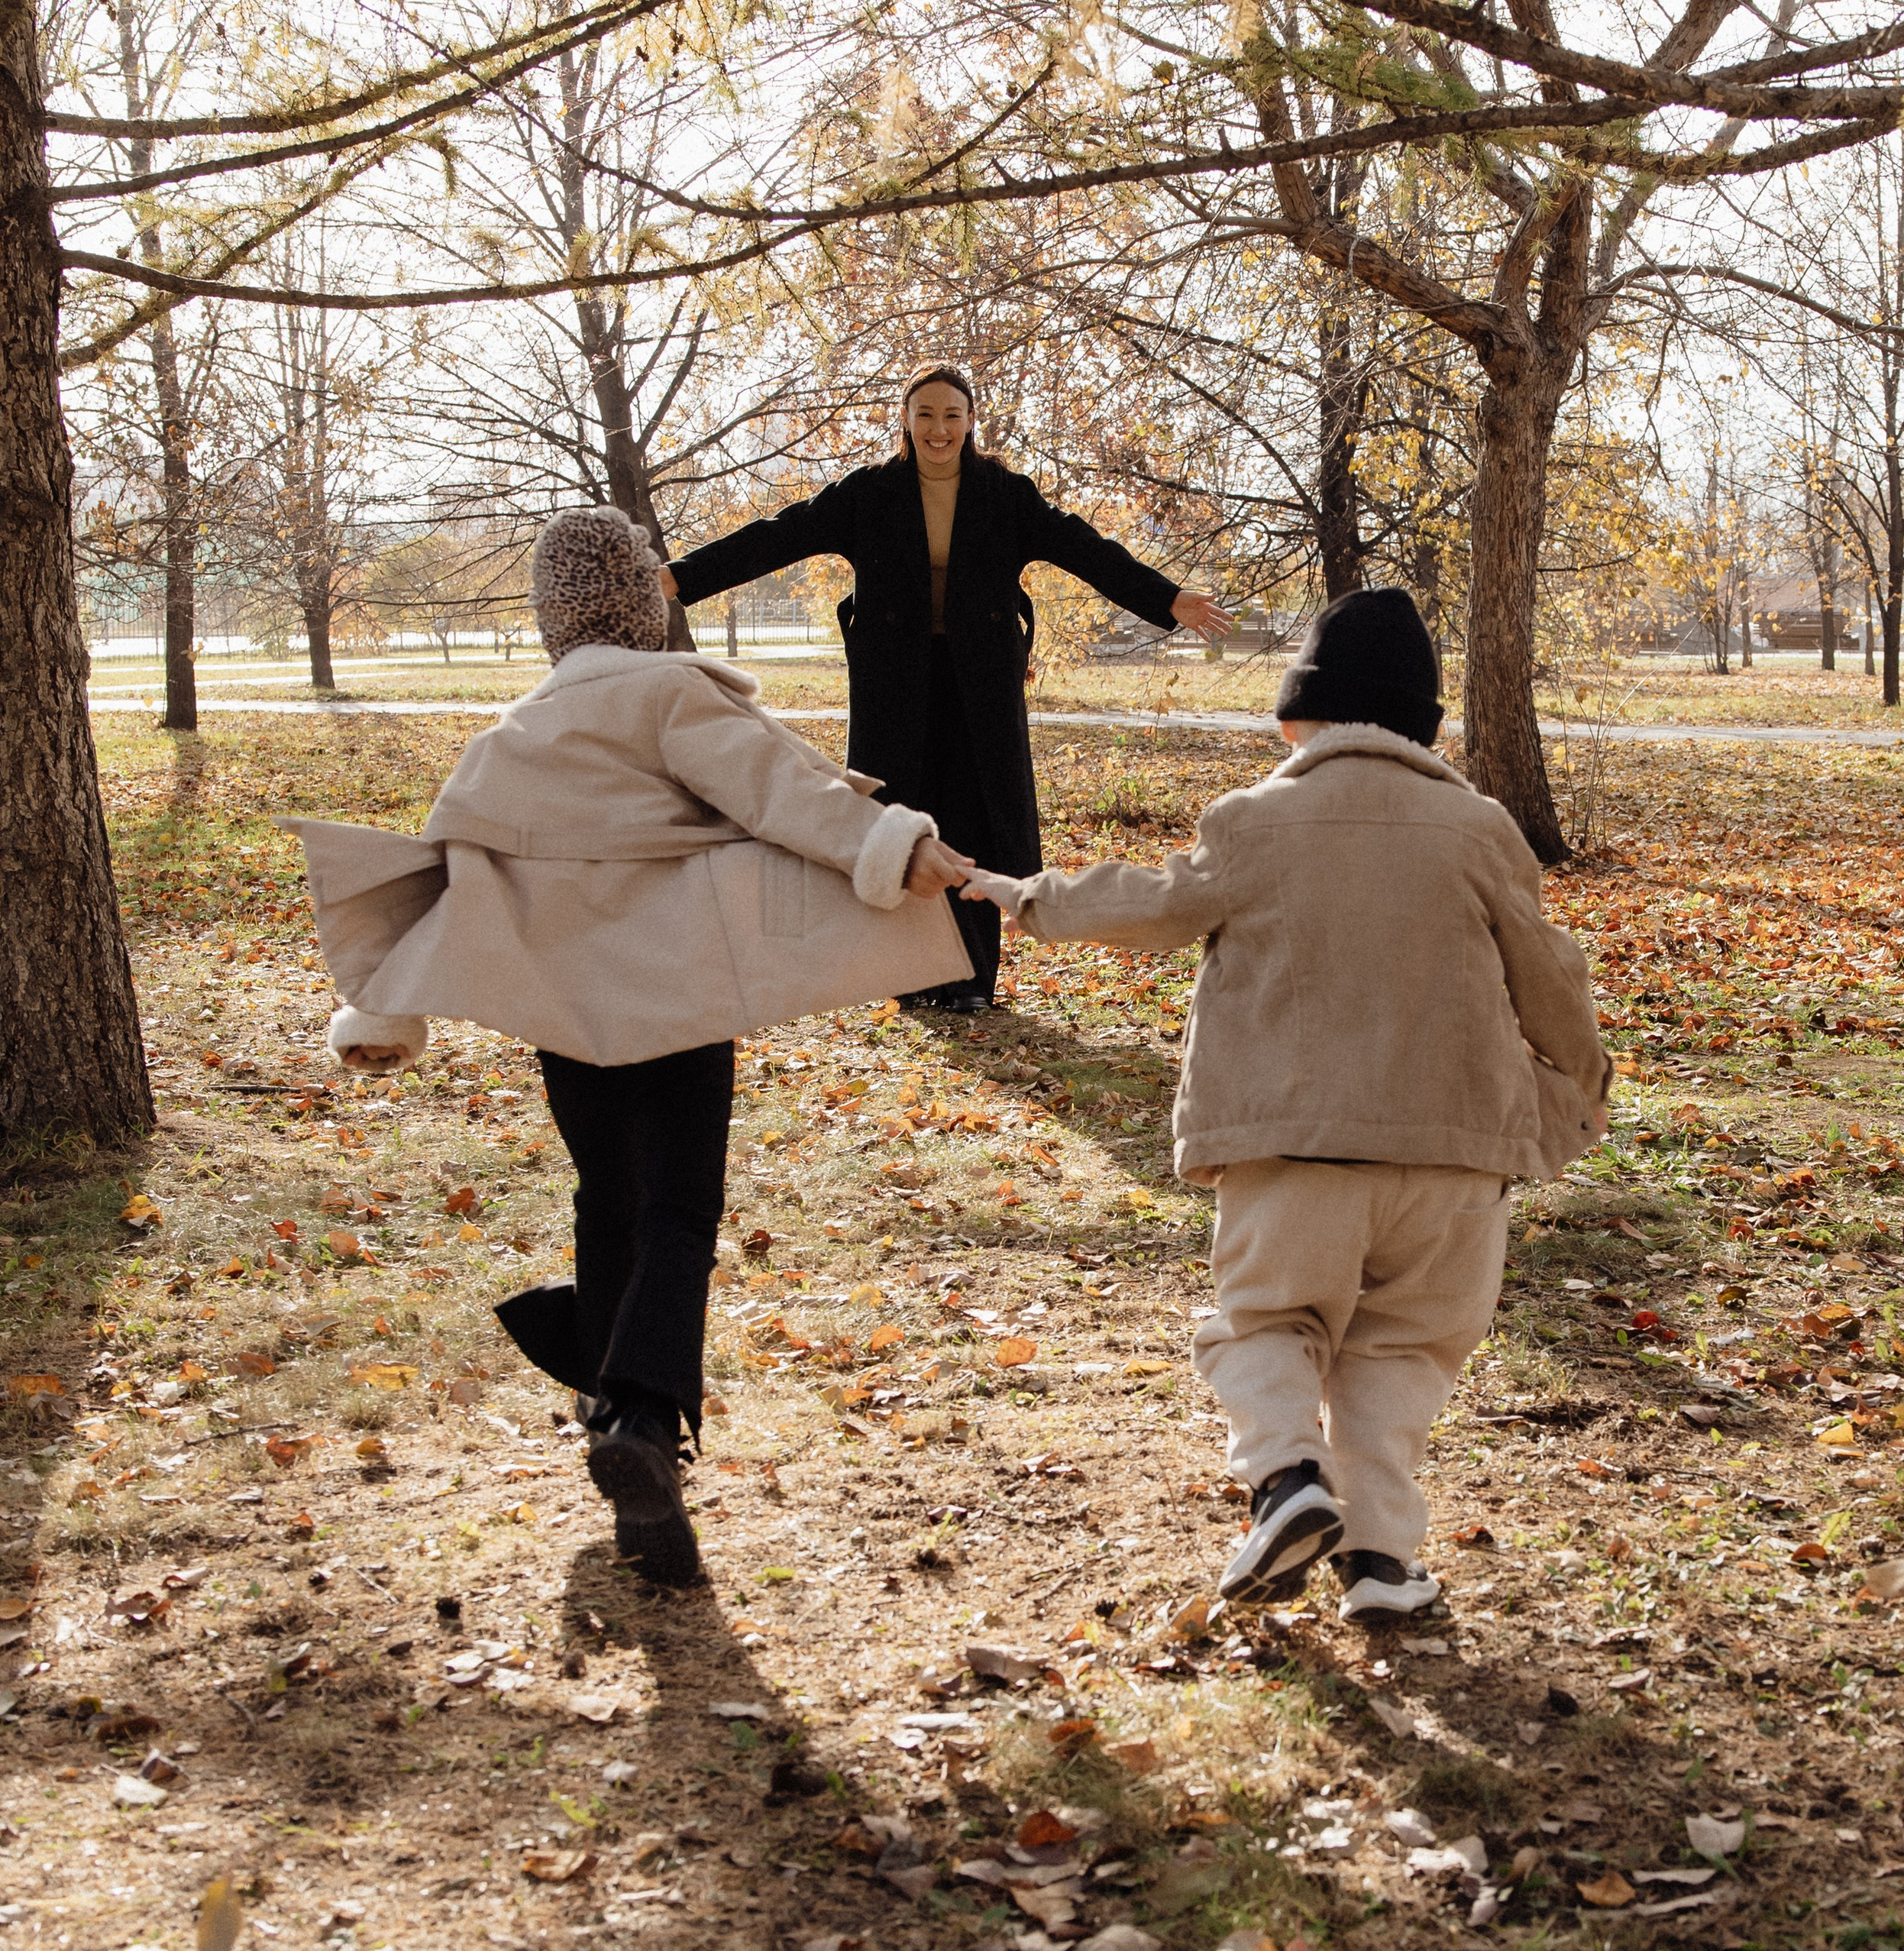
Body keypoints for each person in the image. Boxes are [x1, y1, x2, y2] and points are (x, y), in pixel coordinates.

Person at [292, 506, 972, 1587]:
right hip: (679, 997)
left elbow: (442, 875)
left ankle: (607, 1403)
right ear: (650, 597)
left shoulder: (511, 737)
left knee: (608, 1197)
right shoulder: (672, 696)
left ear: (551, 621)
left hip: (568, 1016)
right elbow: (785, 794)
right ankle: (644, 1416)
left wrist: (385, 1012)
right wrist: (902, 846)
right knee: (677, 1206)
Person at [960, 587, 1611, 1619]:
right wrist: (1577, 1097)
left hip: (1293, 1141)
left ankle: (1286, 1481)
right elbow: (1552, 978)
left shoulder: (1258, 819)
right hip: (1455, 1156)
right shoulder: (1482, 828)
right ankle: (1382, 1565)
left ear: (1297, 720)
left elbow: (1155, 901)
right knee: (1400, 1354)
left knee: (1263, 1323)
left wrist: (1024, 894)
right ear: (1423, 729)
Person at [664, 361, 1233, 1012]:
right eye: (926, 414)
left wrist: (1168, 598)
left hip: (980, 680)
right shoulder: (868, 493)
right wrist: (681, 578)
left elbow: (1085, 548)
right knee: (902, 815)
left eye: (952, 416)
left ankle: (969, 981)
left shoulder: (1003, 493)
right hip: (893, 681)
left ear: (969, 422)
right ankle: (909, 975)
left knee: (975, 817)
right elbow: (776, 538)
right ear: (906, 419)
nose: (939, 428)